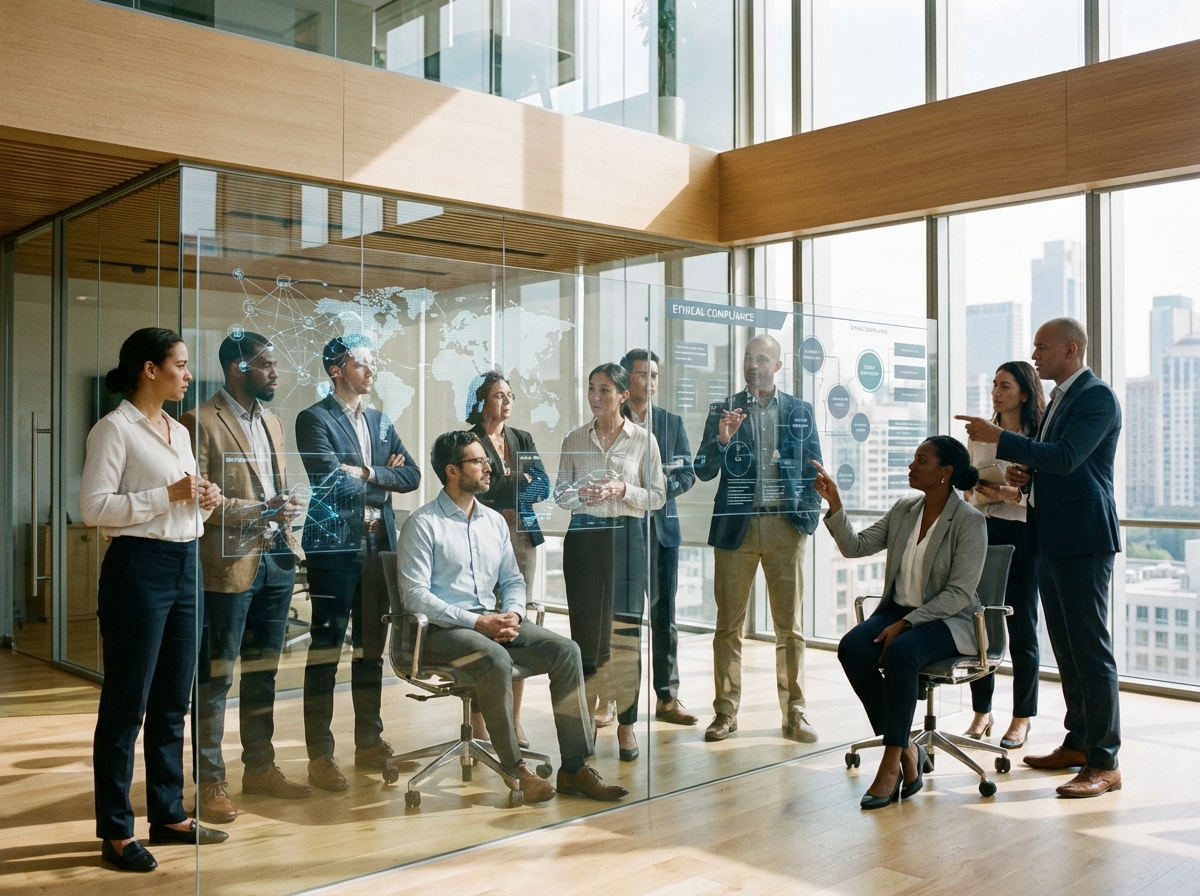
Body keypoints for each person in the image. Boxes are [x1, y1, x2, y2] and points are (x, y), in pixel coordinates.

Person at [398, 431, 628, 802]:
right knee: (493, 657)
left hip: (493, 621)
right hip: (442, 632)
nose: (489, 466)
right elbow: (415, 597)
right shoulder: (423, 524)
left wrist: (514, 613)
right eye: (478, 461)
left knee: (566, 651)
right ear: (452, 471)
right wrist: (477, 622)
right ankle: (515, 768)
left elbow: (512, 579)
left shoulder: (492, 522)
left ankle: (574, 767)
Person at [958, 317, 1123, 798]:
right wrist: (1030, 477)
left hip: (1083, 539)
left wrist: (999, 437)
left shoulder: (1095, 396)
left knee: (1091, 651)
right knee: (1068, 650)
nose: (1035, 356)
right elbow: (1057, 462)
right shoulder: (1062, 400)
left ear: (1071, 349)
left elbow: (1069, 456)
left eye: (1042, 348)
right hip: (1050, 535)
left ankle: (1106, 761)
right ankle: (1079, 743)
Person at [80, 328, 226, 872]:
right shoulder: (113, 430)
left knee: (172, 702)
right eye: (180, 365)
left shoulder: (178, 432)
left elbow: (184, 510)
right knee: (125, 706)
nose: (188, 375)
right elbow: (94, 509)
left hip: (185, 564)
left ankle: (168, 815)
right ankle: (115, 831)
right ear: (150, 369)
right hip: (137, 570)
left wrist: (204, 502)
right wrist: (167, 494)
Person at [814, 437, 987, 809]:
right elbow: (855, 547)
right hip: (901, 611)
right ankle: (909, 747)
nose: (911, 466)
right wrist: (836, 505)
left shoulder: (970, 521)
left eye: (920, 460)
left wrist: (907, 623)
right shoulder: (904, 510)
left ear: (945, 473)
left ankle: (891, 762)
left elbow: (958, 593)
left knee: (901, 653)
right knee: (852, 648)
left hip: (949, 619)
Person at [181, 332, 310, 825]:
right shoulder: (199, 422)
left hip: (277, 560)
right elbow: (199, 500)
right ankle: (211, 781)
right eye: (268, 365)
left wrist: (285, 505)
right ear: (239, 368)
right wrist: (260, 509)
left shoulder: (273, 422)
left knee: (264, 672)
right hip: (227, 568)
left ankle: (260, 767)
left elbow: (272, 487)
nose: (276, 373)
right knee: (216, 678)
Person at [295, 335, 420, 791]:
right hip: (334, 548)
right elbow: (328, 483)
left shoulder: (381, 421)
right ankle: (320, 756)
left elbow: (412, 475)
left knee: (371, 650)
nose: (371, 371)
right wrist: (382, 478)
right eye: (362, 363)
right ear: (336, 369)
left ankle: (369, 742)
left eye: (372, 363)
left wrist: (367, 473)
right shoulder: (313, 419)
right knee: (326, 653)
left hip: (378, 546)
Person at [694, 333, 823, 744]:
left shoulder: (799, 410)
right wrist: (723, 439)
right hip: (738, 528)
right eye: (748, 358)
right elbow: (702, 468)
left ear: (778, 366)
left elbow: (815, 468)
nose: (753, 365)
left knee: (791, 628)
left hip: (786, 529)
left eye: (762, 358)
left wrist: (806, 519)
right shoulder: (724, 409)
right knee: (728, 626)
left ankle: (795, 711)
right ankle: (725, 712)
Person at [555, 363, 666, 762]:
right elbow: (559, 494)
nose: (595, 397)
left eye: (604, 389)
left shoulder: (644, 441)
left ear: (622, 395)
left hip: (626, 540)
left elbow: (657, 496)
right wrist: (580, 495)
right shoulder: (573, 438)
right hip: (584, 540)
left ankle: (627, 727)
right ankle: (585, 723)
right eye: (591, 389)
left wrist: (623, 489)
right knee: (585, 635)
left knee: (625, 636)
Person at [961, 361, 1046, 749]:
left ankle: (1022, 716)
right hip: (982, 530)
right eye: (994, 384)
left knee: (1022, 626)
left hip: (1023, 534)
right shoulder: (978, 437)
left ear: (1024, 393)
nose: (996, 392)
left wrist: (1011, 494)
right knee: (980, 623)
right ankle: (982, 711)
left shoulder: (1037, 437)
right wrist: (979, 489)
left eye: (1005, 386)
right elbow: (966, 491)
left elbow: (1043, 494)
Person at [466, 371, 552, 748]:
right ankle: (481, 723)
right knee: (485, 627)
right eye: (499, 395)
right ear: (482, 401)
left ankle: (514, 722)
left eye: (510, 395)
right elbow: (478, 489)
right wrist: (518, 481)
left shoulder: (523, 438)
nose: (507, 402)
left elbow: (544, 485)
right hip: (483, 537)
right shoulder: (469, 440)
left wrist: (508, 483)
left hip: (522, 539)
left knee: (516, 627)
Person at [620, 349, 698, 726]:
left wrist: (658, 486)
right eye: (641, 374)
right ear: (625, 379)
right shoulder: (610, 420)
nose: (649, 382)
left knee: (664, 617)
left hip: (663, 532)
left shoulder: (671, 423)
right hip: (623, 532)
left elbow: (687, 475)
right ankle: (616, 701)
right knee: (623, 618)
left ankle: (668, 698)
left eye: (653, 375)